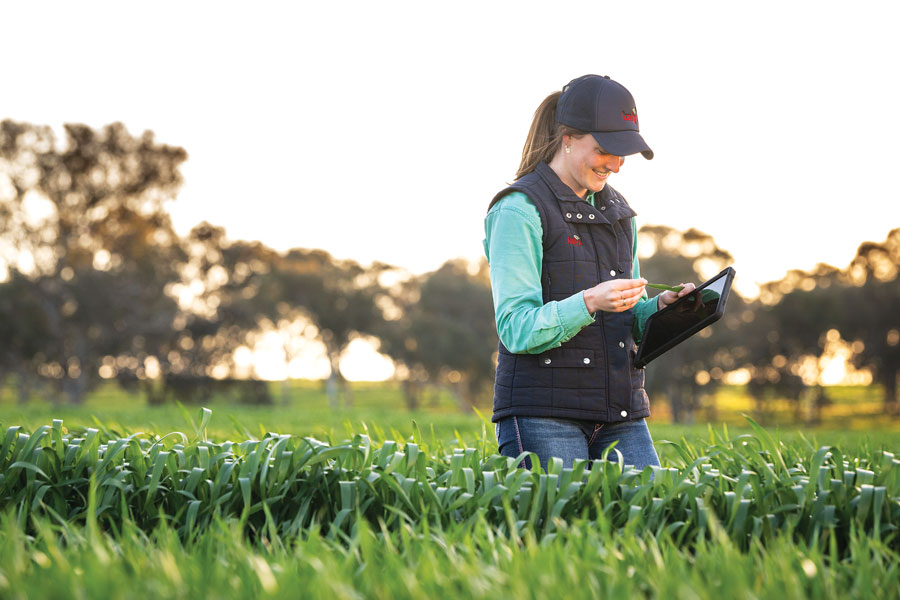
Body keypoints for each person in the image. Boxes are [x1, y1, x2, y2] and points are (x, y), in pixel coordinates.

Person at [483, 74, 695, 471]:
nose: (614, 165)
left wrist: (660, 309)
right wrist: (590, 301)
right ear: (567, 138)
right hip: (542, 414)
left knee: (652, 519)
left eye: (622, 155)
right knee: (561, 529)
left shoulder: (620, 212)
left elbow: (626, 319)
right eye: (603, 150)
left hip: (621, 412)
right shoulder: (517, 210)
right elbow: (515, 328)